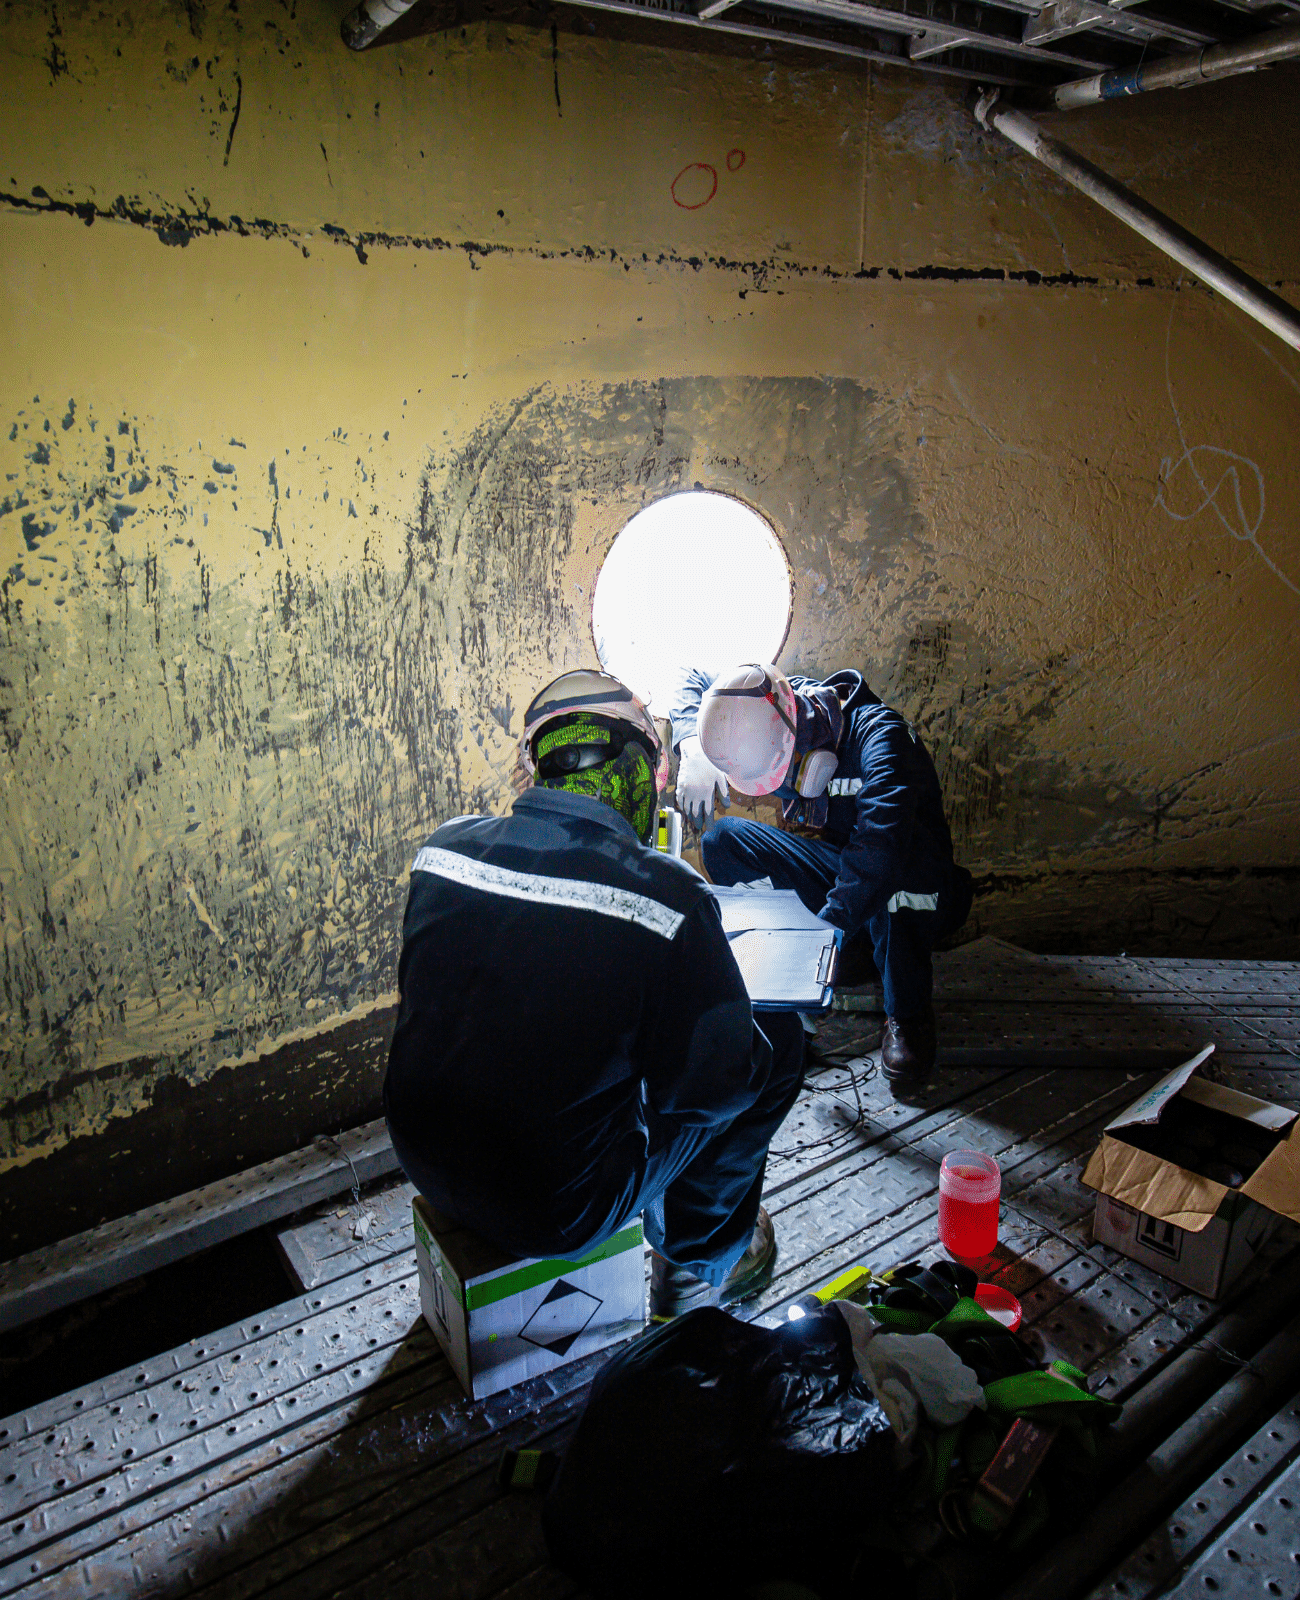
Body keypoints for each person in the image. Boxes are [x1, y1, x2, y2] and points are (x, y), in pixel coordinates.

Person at [383, 668, 806, 1321]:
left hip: (422, 1159)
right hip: (553, 1211)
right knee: (768, 1051)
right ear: (639, 767)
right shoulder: (665, 894)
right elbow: (721, 1087)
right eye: (656, 772)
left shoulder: (442, 849)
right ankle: (696, 1268)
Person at [672, 663, 972, 1094]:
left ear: (800, 738)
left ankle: (908, 1015)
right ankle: (803, 962)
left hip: (918, 883)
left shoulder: (881, 738)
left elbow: (880, 850)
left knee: (893, 883)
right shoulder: (764, 699)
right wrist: (693, 747)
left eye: (786, 773)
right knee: (724, 841)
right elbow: (691, 676)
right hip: (848, 868)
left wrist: (821, 936)